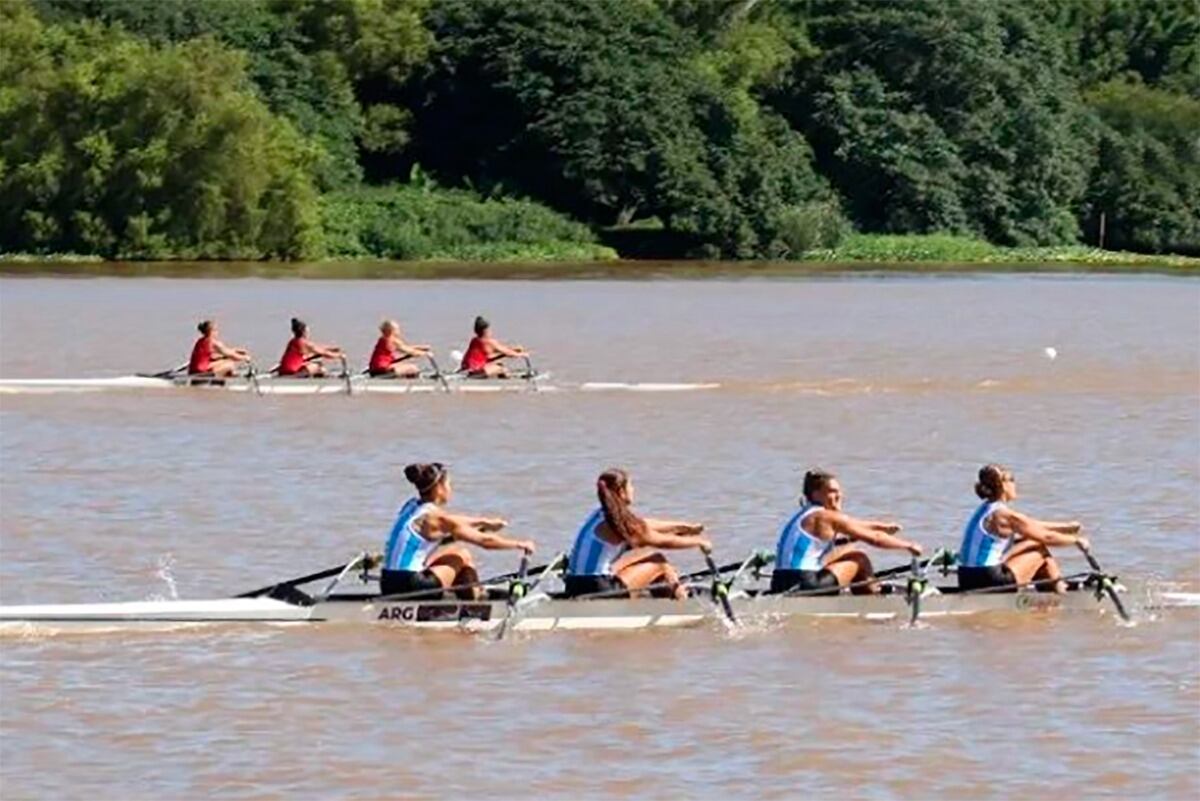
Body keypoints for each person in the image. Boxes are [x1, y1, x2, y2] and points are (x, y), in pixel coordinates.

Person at [380, 463, 535, 600]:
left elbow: (454, 522)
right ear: (439, 488)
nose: (450, 489)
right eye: (449, 484)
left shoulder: (411, 505)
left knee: (451, 552)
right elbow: (484, 542)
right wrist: (521, 544)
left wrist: (484, 522)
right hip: (411, 586)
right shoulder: (435, 517)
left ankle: (467, 594)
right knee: (463, 555)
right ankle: (477, 600)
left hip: (387, 582)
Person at [563, 468, 713, 600]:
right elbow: (662, 541)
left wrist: (684, 527)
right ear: (621, 492)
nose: (633, 489)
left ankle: (666, 593)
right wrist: (698, 542)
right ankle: (683, 604)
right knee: (660, 562)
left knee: (643, 555)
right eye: (631, 485)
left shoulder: (602, 514)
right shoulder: (616, 523)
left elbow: (645, 525)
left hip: (574, 584)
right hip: (597, 589)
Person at [771, 469, 922, 595]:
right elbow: (875, 539)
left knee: (848, 550)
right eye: (832, 491)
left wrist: (881, 526)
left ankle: (863, 589)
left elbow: (855, 525)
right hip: (806, 584)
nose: (839, 496)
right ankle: (873, 597)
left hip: (778, 583)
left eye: (839, 491)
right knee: (859, 558)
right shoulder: (826, 516)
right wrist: (909, 545)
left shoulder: (804, 514)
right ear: (815, 494)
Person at [957, 464, 1088, 594]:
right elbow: (1047, 537)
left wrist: (1066, 527)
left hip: (965, 577)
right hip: (988, 579)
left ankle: (1053, 589)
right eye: (1012, 479)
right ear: (1002, 485)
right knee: (1040, 550)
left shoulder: (986, 508)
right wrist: (1076, 541)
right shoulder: (1004, 515)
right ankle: (1061, 595)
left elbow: (1032, 525)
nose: (1015, 484)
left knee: (1031, 542)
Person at [460, 316, 529, 378]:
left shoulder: (475, 340)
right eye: (489, 330)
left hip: (465, 369)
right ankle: (511, 384)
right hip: (475, 372)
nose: (491, 332)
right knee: (501, 367)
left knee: (497, 365)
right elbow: (509, 353)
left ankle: (505, 381)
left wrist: (514, 349)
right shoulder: (489, 342)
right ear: (486, 331)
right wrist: (522, 354)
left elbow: (490, 357)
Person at [277, 318, 344, 377]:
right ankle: (324, 383)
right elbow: (325, 353)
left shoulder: (293, 341)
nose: (308, 333)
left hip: (283, 371)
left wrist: (333, 349)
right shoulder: (304, 343)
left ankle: (318, 379)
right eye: (307, 331)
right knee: (318, 367)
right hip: (291, 374)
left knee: (311, 365)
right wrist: (340, 355)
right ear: (304, 332)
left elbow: (318, 347)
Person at [368, 319, 432, 378]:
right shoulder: (392, 340)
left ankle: (404, 381)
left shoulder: (383, 339)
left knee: (405, 367)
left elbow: (406, 347)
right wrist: (426, 354)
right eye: (397, 329)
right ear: (391, 331)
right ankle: (413, 385)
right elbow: (409, 351)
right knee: (413, 368)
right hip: (383, 370)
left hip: (374, 370)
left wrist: (421, 348)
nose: (399, 331)